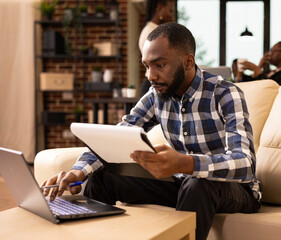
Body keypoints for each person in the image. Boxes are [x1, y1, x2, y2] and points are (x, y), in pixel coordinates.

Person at [41, 23, 262, 240]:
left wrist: (186, 163)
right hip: (182, 184)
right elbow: (116, 137)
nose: (150, 75)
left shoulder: (225, 94)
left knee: (198, 183)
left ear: (188, 62)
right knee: (102, 178)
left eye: (159, 65)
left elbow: (244, 165)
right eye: (147, 66)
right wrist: (78, 172)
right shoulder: (156, 96)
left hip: (234, 190)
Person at [138, 0, 174, 96]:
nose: (171, 15)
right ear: (160, 8)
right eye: (169, 11)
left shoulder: (149, 29)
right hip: (155, 85)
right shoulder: (155, 32)